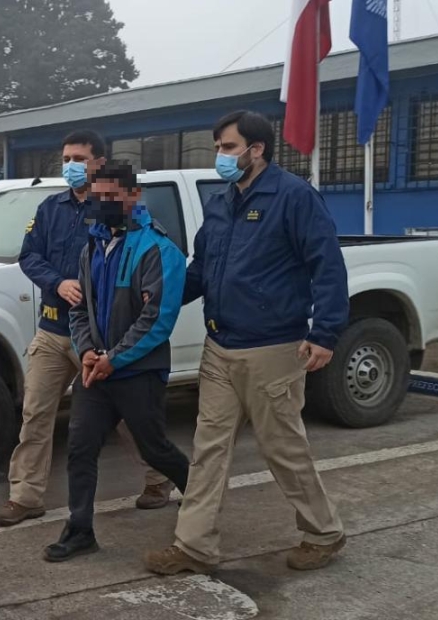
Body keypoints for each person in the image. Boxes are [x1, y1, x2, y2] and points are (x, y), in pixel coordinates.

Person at [144, 110, 349, 575]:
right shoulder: (221, 203)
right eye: (218, 147)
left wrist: (325, 333)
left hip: (272, 348)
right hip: (220, 346)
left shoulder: (293, 197)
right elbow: (201, 269)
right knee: (208, 449)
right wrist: (159, 299)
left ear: (257, 150)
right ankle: (193, 546)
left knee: (283, 449)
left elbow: (327, 265)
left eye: (229, 147)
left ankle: (323, 532)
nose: (220, 155)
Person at [0, 131, 173, 528]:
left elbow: (140, 256)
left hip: (99, 337)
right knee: (35, 414)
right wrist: (58, 283)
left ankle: (159, 478)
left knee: (127, 417)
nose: (70, 166)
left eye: (79, 158)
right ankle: (25, 497)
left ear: (99, 163)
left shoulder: (115, 209)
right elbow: (30, 257)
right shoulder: (50, 208)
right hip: (53, 329)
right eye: (66, 158)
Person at [43, 161, 190, 562]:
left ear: (133, 195)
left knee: (154, 449)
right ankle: (79, 530)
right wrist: (87, 351)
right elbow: (79, 309)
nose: (104, 203)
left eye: (112, 195)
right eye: (98, 196)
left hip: (138, 372)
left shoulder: (158, 250)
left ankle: (199, 499)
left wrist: (115, 358)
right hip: (97, 370)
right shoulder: (92, 246)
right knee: (80, 447)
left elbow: (157, 319)